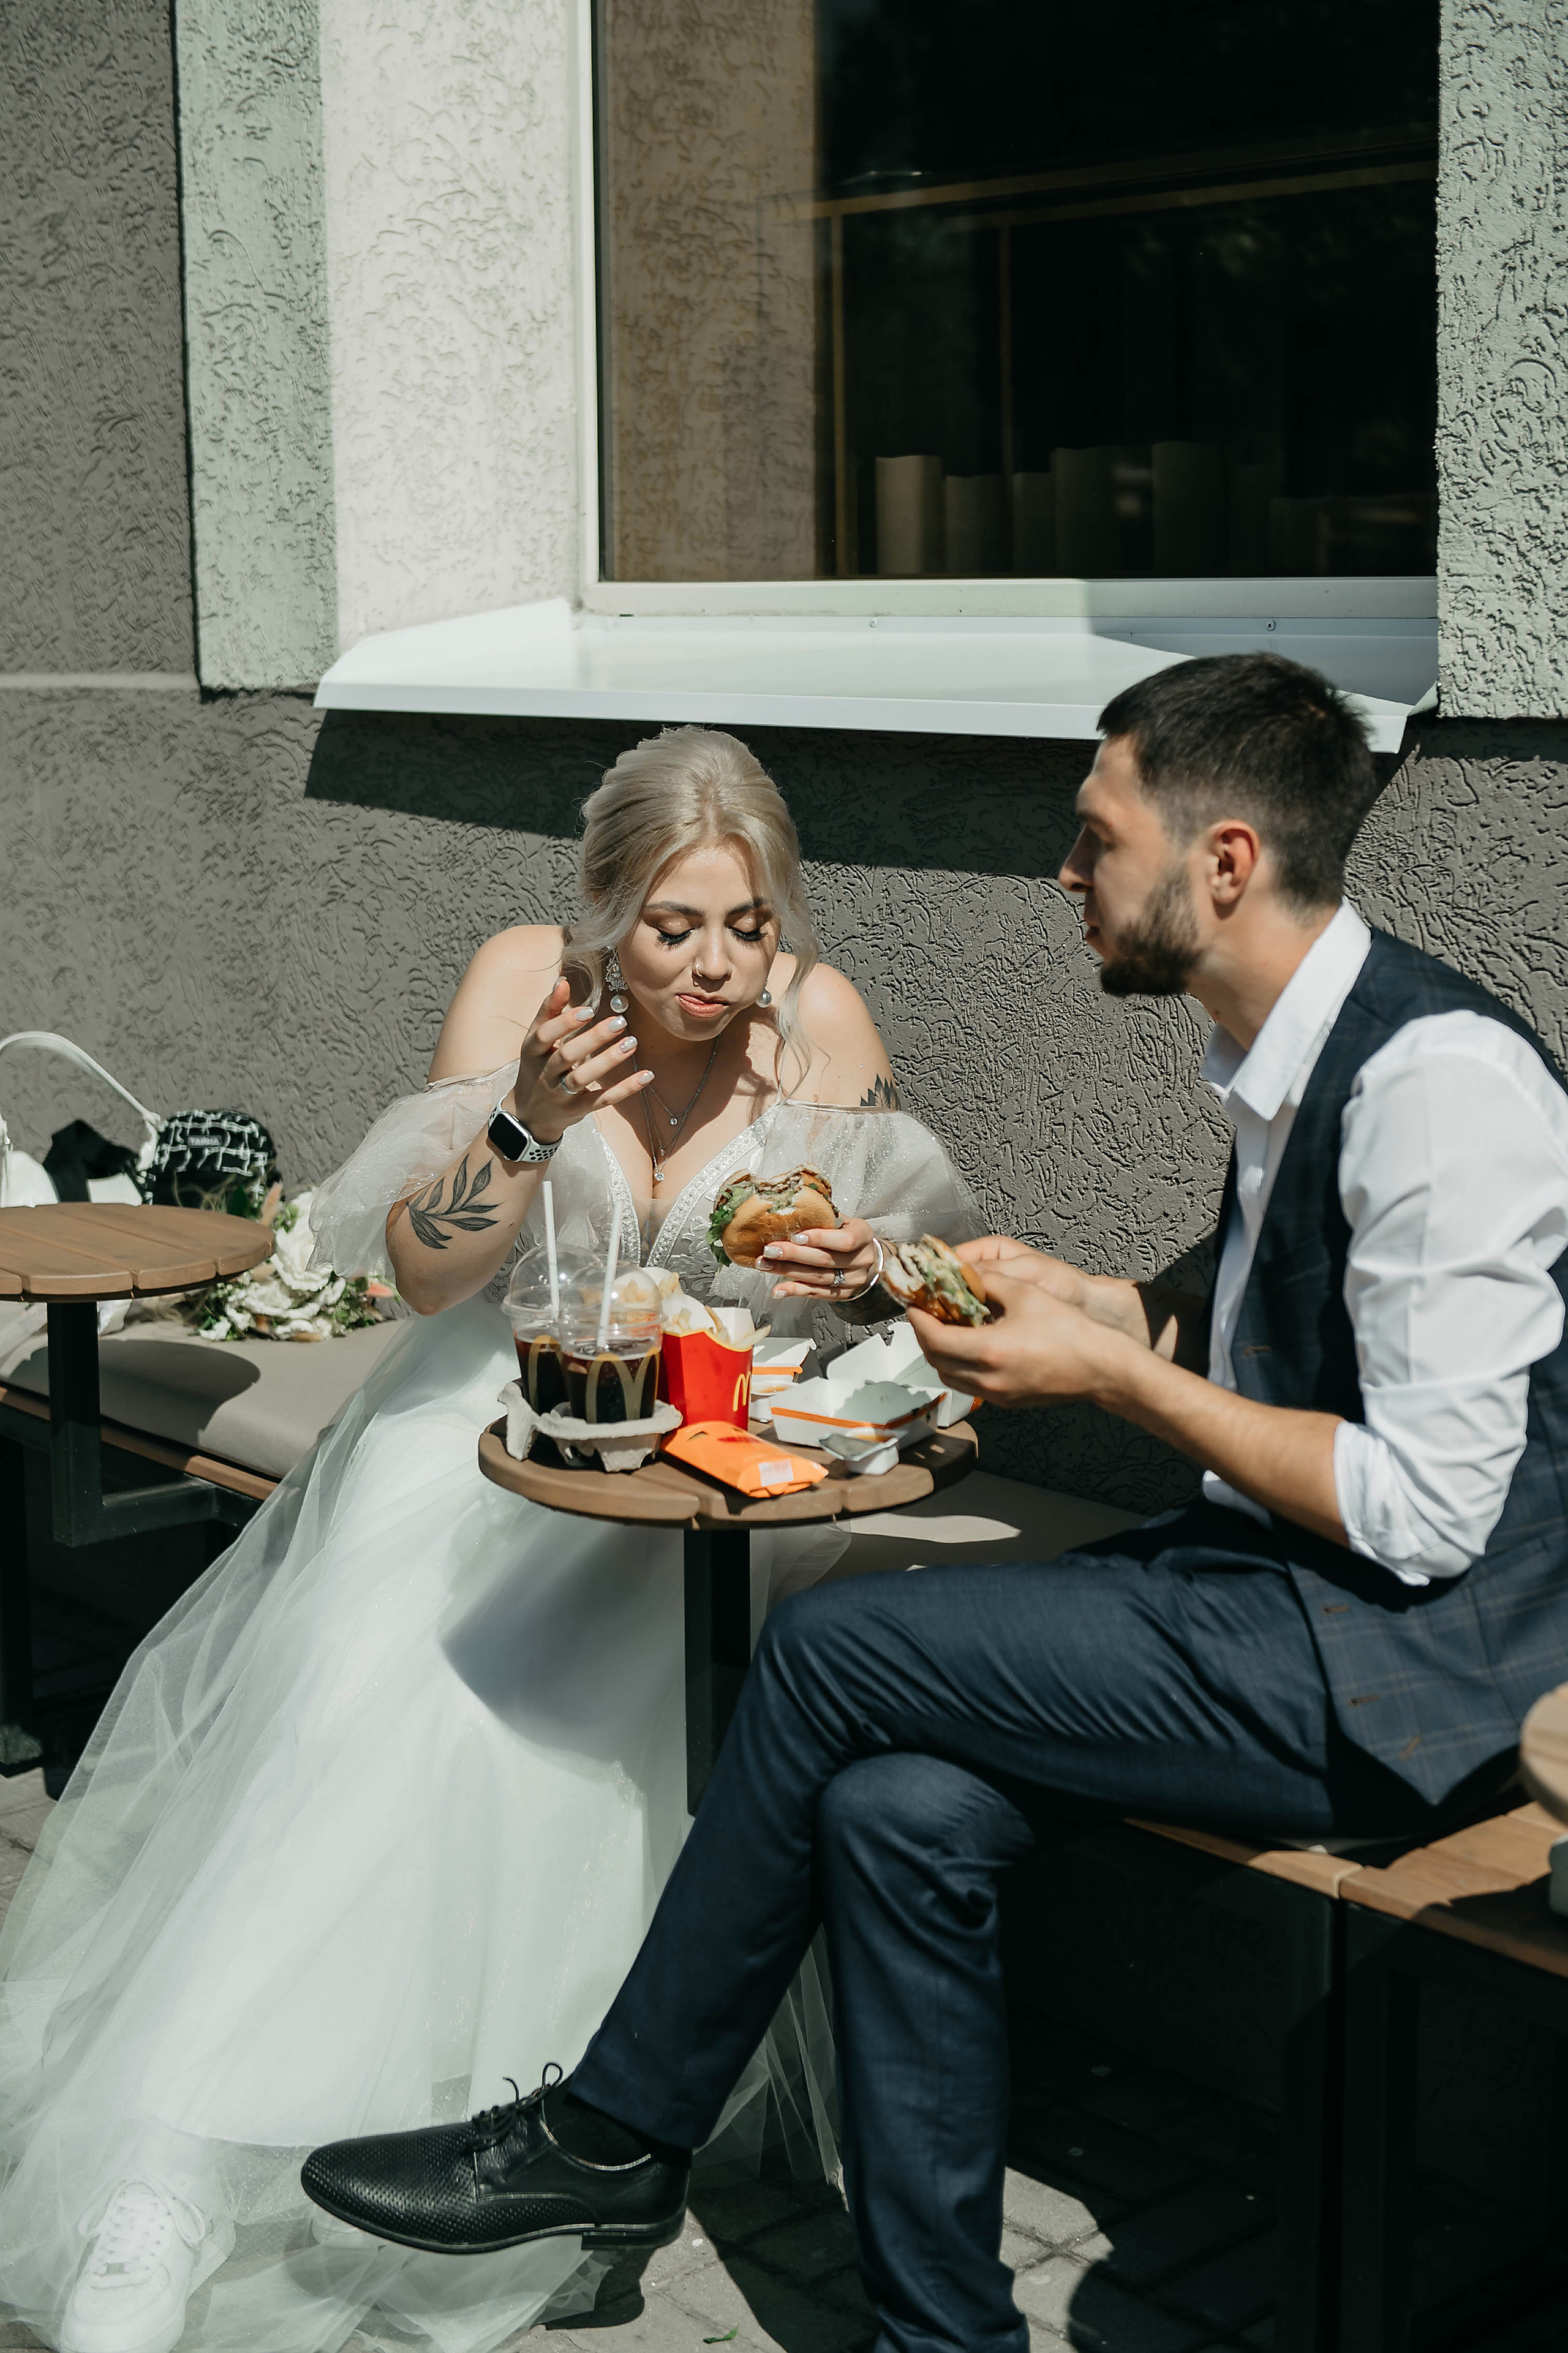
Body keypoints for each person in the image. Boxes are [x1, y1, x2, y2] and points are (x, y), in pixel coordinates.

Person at [303, 653, 1568, 2353]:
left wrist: (1112, 1376)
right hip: (1269, 1596)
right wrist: (1057, 1293)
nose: (1061, 870)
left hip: (1408, 1667)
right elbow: (1248, 1321)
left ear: (1224, 862)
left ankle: (611, 2134)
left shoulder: (1439, 1086)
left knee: (831, 1649)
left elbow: (1426, 1508)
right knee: (897, 1809)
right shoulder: (1284, 1049)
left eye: (1092, 831)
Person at [0, 725, 978, 2353]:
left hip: (705, 1466)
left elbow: (911, 1300)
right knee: (369, 1666)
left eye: (748, 924)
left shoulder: (821, 1028)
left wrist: (852, 1262)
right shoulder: (526, 983)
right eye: (677, 928)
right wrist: (522, 1124)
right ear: (601, 910)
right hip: (485, 1422)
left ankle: (524, 2113)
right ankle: (165, 2166)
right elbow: (423, 1275)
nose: (720, 965)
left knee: (522, 1704)